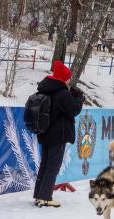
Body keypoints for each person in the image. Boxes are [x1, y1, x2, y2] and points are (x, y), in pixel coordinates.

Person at [33, 61, 85, 207]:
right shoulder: (61, 93)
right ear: (63, 78)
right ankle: (45, 197)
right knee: (53, 166)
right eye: (68, 77)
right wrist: (79, 98)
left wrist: (71, 96)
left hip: (44, 132)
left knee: (45, 164)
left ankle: (39, 195)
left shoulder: (47, 89)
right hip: (58, 135)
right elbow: (73, 110)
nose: (69, 79)